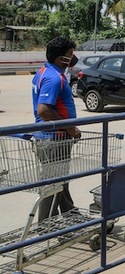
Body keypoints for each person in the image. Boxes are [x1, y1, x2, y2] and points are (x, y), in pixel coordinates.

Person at [32, 36, 81, 221]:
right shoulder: (53, 78)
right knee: (52, 185)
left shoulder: (46, 72)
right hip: (54, 138)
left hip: (54, 138)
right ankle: (46, 227)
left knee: (60, 181)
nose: (73, 58)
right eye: (70, 54)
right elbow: (44, 110)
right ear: (60, 58)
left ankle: (70, 214)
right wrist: (70, 129)